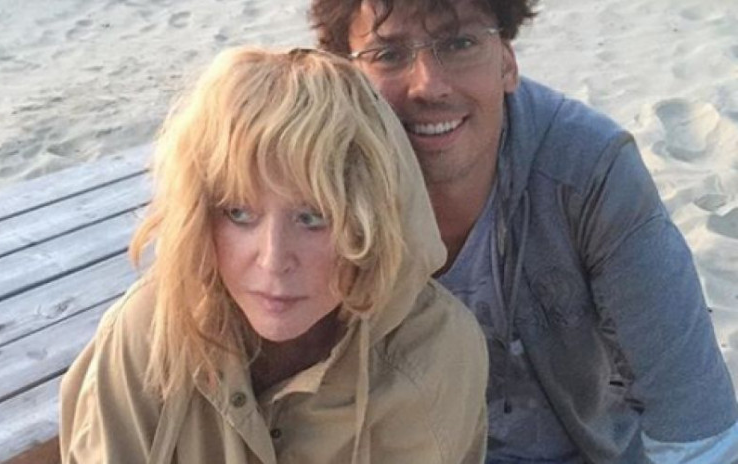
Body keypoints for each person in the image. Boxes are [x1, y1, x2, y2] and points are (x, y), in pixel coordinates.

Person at [309, 0, 738, 462]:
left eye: (459, 43)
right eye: (388, 54)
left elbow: (696, 430)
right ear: (343, 76)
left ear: (507, 62)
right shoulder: (308, 190)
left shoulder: (587, 172)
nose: (429, 85)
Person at [59, 46, 489, 463]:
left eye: (313, 217)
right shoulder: (147, 334)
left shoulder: (434, 357)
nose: (273, 259)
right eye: (239, 213)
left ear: (371, 221)